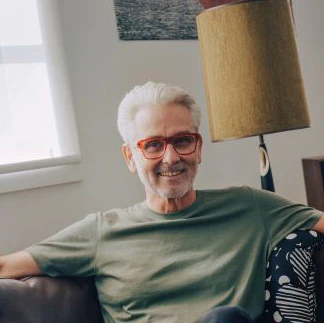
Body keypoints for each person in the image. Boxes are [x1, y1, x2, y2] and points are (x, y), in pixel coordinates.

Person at [0, 81, 323, 323]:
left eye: (183, 141)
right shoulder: (101, 232)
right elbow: (6, 266)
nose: (171, 158)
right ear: (131, 156)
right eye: (153, 145)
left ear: (198, 148)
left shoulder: (249, 207)